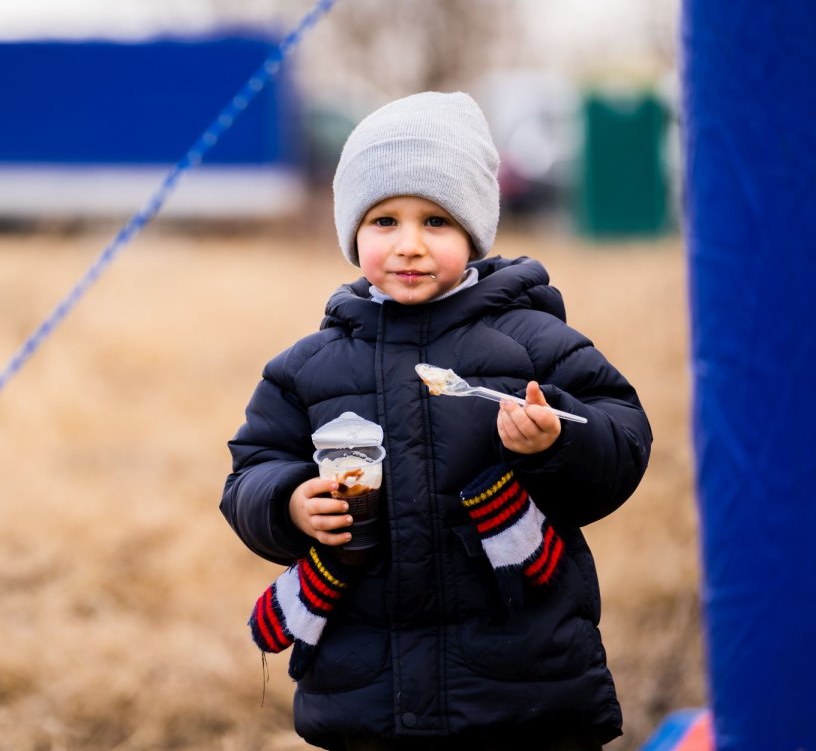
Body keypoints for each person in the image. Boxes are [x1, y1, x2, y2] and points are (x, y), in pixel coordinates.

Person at [221, 92, 652, 750]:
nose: (410, 245)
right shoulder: (307, 368)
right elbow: (252, 470)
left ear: (474, 230)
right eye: (385, 221)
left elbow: (621, 437)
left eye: (437, 222)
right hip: (369, 695)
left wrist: (554, 443)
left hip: (522, 687)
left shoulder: (530, 341)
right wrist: (287, 503)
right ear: (353, 233)